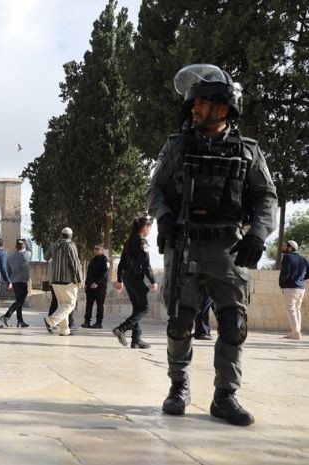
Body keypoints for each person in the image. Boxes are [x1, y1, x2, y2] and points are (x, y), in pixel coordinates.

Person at [150, 64, 277, 426]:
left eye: (201, 102)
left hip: (228, 248)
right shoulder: (177, 146)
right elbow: (155, 188)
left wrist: (257, 234)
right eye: (193, 101)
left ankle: (225, 396)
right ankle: (179, 387)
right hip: (186, 244)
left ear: (223, 108)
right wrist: (163, 216)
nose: (193, 107)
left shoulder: (248, 152)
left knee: (234, 324)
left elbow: (267, 197)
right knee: (179, 323)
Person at [113, 216, 158, 349]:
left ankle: (136, 340)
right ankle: (121, 328)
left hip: (127, 277)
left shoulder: (127, 241)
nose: (150, 230)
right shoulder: (142, 242)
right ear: (145, 227)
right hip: (136, 277)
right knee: (145, 307)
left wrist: (120, 279)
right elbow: (146, 265)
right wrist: (153, 281)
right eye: (149, 227)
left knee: (137, 308)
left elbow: (121, 262)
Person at [43, 227, 83, 335]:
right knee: (70, 304)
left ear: (61, 235)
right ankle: (51, 321)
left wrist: (54, 244)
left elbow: (45, 257)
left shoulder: (54, 245)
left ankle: (64, 330)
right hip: (67, 280)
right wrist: (80, 279)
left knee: (62, 305)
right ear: (71, 236)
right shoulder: (71, 245)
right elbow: (75, 263)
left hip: (55, 280)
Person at [278, 240, 308, 340]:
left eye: (286, 246)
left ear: (290, 248)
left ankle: (295, 333)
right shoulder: (303, 259)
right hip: (301, 288)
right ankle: (297, 332)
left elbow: (285, 273)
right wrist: (301, 279)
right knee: (297, 310)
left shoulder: (287, 257)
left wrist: (282, 284)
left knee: (290, 309)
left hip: (291, 287)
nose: (285, 248)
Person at [1, 239, 32, 327]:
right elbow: (30, 250)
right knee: (20, 300)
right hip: (23, 281)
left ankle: (20, 320)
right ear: (24, 246)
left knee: (19, 301)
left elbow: (8, 270)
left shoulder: (10, 257)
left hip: (14, 281)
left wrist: (9, 281)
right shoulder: (26, 255)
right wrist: (26, 243)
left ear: (16, 247)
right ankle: (7, 315)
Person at [81, 244, 110, 329]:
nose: (95, 250)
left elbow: (105, 274)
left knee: (100, 305)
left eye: (98, 249)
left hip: (100, 287)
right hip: (90, 286)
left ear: (102, 250)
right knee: (89, 304)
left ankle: (98, 323)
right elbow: (88, 273)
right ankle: (87, 322)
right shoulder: (92, 260)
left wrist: (97, 282)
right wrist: (86, 284)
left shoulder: (105, 260)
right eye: (94, 249)